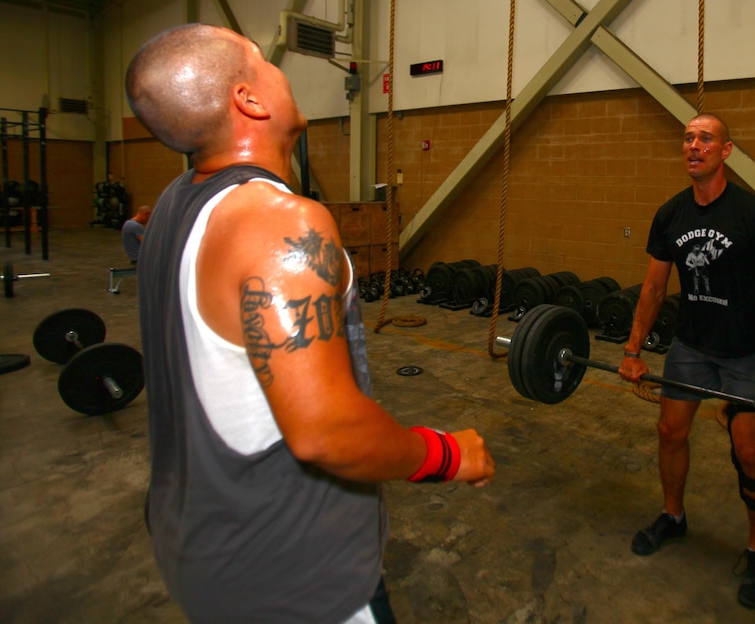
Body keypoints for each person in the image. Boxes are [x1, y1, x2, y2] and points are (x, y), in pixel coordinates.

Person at [125, 23, 494, 624]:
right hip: (295, 580)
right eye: (262, 63)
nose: (281, 73)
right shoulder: (276, 221)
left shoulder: (173, 205)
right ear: (250, 100)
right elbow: (327, 432)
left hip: (199, 551)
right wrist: (449, 455)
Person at [618, 113, 755, 610]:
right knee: (670, 431)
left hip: (746, 353)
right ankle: (673, 517)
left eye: (705, 139)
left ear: (726, 151)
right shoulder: (671, 215)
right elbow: (654, 288)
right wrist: (633, 350)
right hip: (692, 347)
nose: (693, 146)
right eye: (688, 138)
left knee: (750, 452)